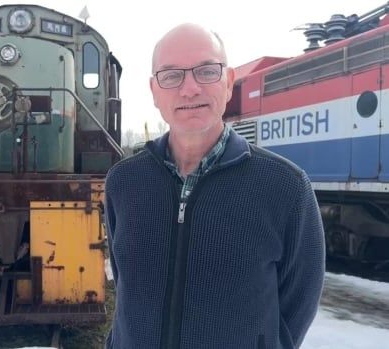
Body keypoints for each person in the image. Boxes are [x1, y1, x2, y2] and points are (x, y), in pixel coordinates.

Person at [104, 23, 325, 349]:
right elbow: (125, 286)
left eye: (206, 71)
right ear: (154, 91)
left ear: (228, 82)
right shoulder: (123, 182)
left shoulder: (285, 188)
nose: (189, 88)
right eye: (171, 75)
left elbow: (298, 301)